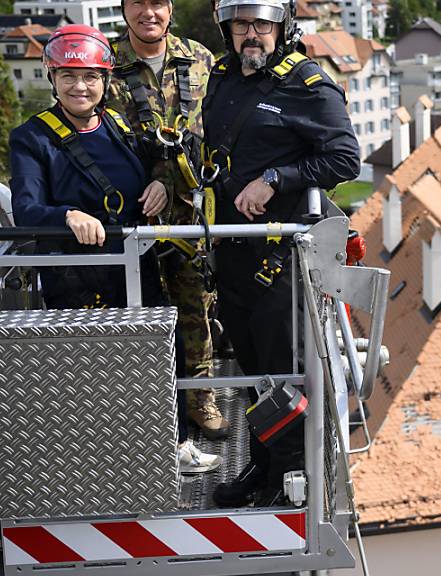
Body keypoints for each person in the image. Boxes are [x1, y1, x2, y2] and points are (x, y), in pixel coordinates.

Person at [9, 24, 222, 474]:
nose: (80, 86)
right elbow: (27, 209)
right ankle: (100, 461)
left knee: (154, 360)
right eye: (68, 76)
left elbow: (152, 168)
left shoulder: (118, 125)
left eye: (90, 76)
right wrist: (66, 216)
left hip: (136, 264)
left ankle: (173, 446)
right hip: (78, 275)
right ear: (52, 78)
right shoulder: (33, 138)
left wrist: (159, 185)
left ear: (106, 80)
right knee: (93, 375)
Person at [203, 0, 359, 506]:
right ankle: (264, 465)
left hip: (279, 259)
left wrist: (276, 179)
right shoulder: (222, 76)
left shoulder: (308, 84)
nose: (252, 35)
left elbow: (344, 157)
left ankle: (289, 483)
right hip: (231, 251)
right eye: (241, 25)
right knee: (251, 371)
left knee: (282, 374)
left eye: (262, 25)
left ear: (281, 27)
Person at [107, 0, 230, 440]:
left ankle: (200, 398)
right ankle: (147, 407)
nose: (148, 12)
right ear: (123, 9)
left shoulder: (199, 59)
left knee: (193, 306)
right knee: (138, 309)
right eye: (137, 2)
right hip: (133, 206)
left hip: (190, 210)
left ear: (170, 8)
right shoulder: (105, 65)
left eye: (157, 2)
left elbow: (216, 128)